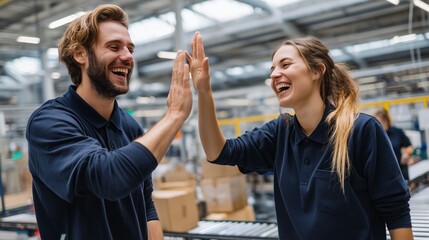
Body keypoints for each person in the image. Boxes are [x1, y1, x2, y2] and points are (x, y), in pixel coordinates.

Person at [186, 32, 413, 240]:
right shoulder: (279, 133)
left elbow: (397, 212)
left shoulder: (361, 130)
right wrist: (204, 93)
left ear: (317, 71)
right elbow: (219, 152)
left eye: (285, 64)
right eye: (272, 69)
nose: (275, 74)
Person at [26, 4, 192, 240]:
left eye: (130, 49)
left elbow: (145, 206)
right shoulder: (49, 122)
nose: (127, 57)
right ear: (80, 54)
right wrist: (174, 115)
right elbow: (108, 178)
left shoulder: (131, 127)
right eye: (114, 47)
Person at [374, 108, 414, 181]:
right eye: (378, 122)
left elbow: (409, 146)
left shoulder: (397, 132)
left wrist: (406, 154)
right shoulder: (375, 136)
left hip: (401, 171)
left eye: (382, 121)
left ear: (387, 120)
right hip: (385, 175)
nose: (380, 124)